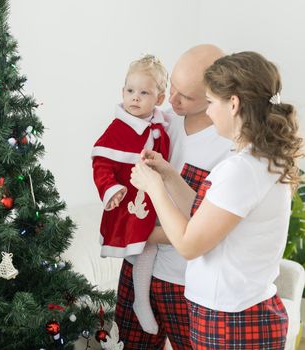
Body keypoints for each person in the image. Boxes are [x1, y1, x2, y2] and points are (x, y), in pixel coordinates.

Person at [131, 51, 302, 349]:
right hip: (240, 311)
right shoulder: (260, 160)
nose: (208, 113)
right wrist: (169, 174)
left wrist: (154, 187)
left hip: (231, 319)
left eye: (211, 103)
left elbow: (188, 244)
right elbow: (204, 215)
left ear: (233, 104)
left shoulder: (241, 171)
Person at [115, 44, 232, 350]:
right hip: (137, 266)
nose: (173, 100)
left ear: (215, 94)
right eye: (172, 88)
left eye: (186, 96)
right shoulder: (161, 119)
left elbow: (205, 228)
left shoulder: (227, 147)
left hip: (184, 282)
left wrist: (141, 234)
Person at [92, 54, 170, 334]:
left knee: (150, 247)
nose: (135, 98)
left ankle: (142, 299)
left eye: (144, 93)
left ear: (159, 99)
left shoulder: (161, 123)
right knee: (145, 246)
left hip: (156, 199)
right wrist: (111, 189)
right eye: (130, 91)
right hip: (132, 202)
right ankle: (140, 301)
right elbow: (101, 163)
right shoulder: (119, 128)